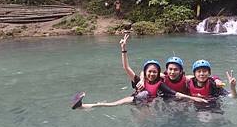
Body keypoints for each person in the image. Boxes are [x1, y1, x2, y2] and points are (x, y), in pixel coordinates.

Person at [71, 36, 206, 109]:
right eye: (149, 72)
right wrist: (123, 49)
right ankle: (82, 106)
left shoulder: (160, 83)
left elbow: (175, 93)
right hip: (136, 99)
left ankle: (83, 107)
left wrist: (193, 98)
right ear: (146, 72)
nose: (152, 74)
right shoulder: (140, 80)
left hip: (147, 104)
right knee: (111, 104)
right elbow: (126, 67)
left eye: (154, 72)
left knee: (115, 105)